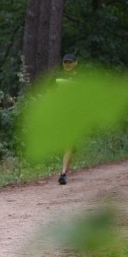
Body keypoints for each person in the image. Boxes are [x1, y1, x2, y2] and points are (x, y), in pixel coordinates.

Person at [56, 53, 78, 185]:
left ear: (76, 63)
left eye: (70, 62)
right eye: (65, 62)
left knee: (68, 145)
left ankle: (63, 174)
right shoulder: (57, 78)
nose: (67, 64)